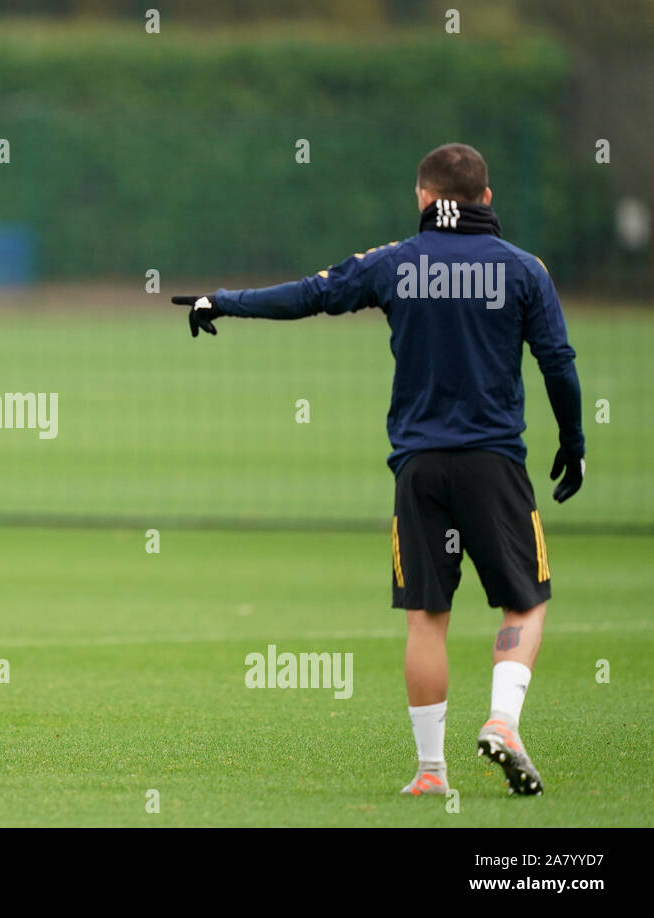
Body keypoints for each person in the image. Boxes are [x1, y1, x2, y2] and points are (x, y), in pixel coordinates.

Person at [172, 142, 585, 796]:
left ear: (424, 197)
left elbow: (310, 295)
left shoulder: (394, 263)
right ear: (487, 197)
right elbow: (557, 362)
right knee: (524, 600)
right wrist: (574, 438)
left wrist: (220, 301)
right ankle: (502, 721)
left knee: (426, 616)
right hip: (494, 461)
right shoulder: (522, 269)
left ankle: (429, 772)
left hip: (418, 467)